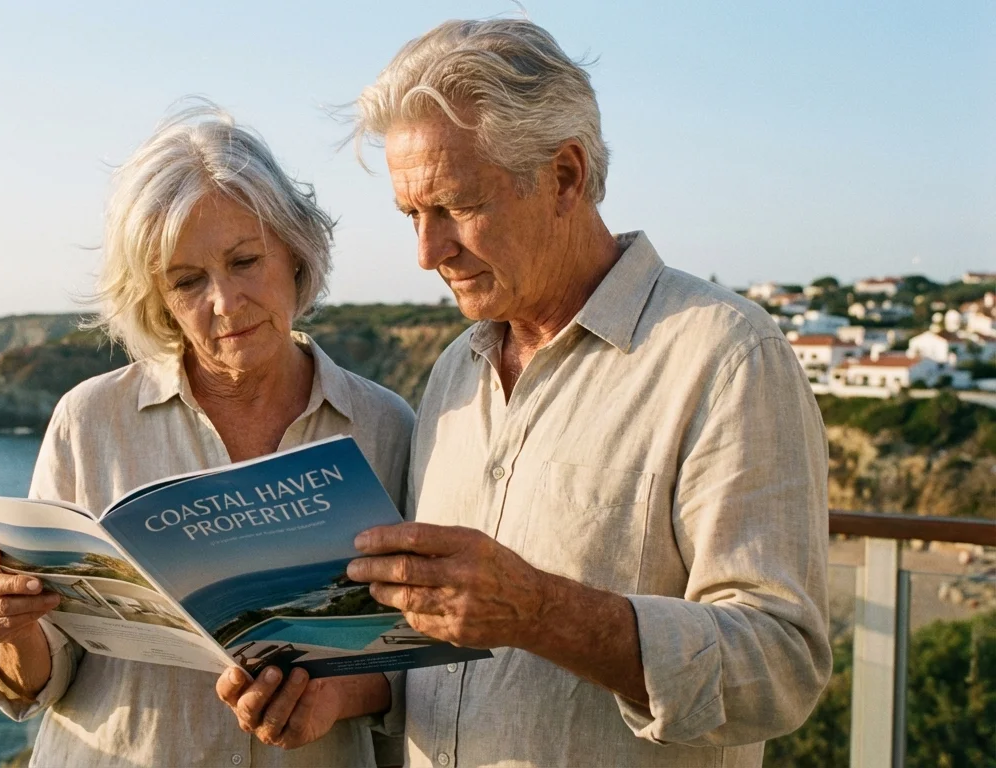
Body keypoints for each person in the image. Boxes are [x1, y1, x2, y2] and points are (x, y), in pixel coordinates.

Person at [231, 18, 833, 767]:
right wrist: (349, 691)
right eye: (412, 216)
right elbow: (450, 652)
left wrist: (543, 612)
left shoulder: (726, 355)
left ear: (566, 176)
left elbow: (781, 668)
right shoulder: (456, 369)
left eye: (455, 206)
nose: (428, 252)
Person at [0, 105, 414, 768]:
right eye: (188, 280)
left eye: (245, 260)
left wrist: (341, 697)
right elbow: (38, 678)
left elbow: (433, 657)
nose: (224, 303)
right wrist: (8, 628)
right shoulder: (90, 422)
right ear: (156, 297)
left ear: (295, 251)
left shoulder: (384, 426)